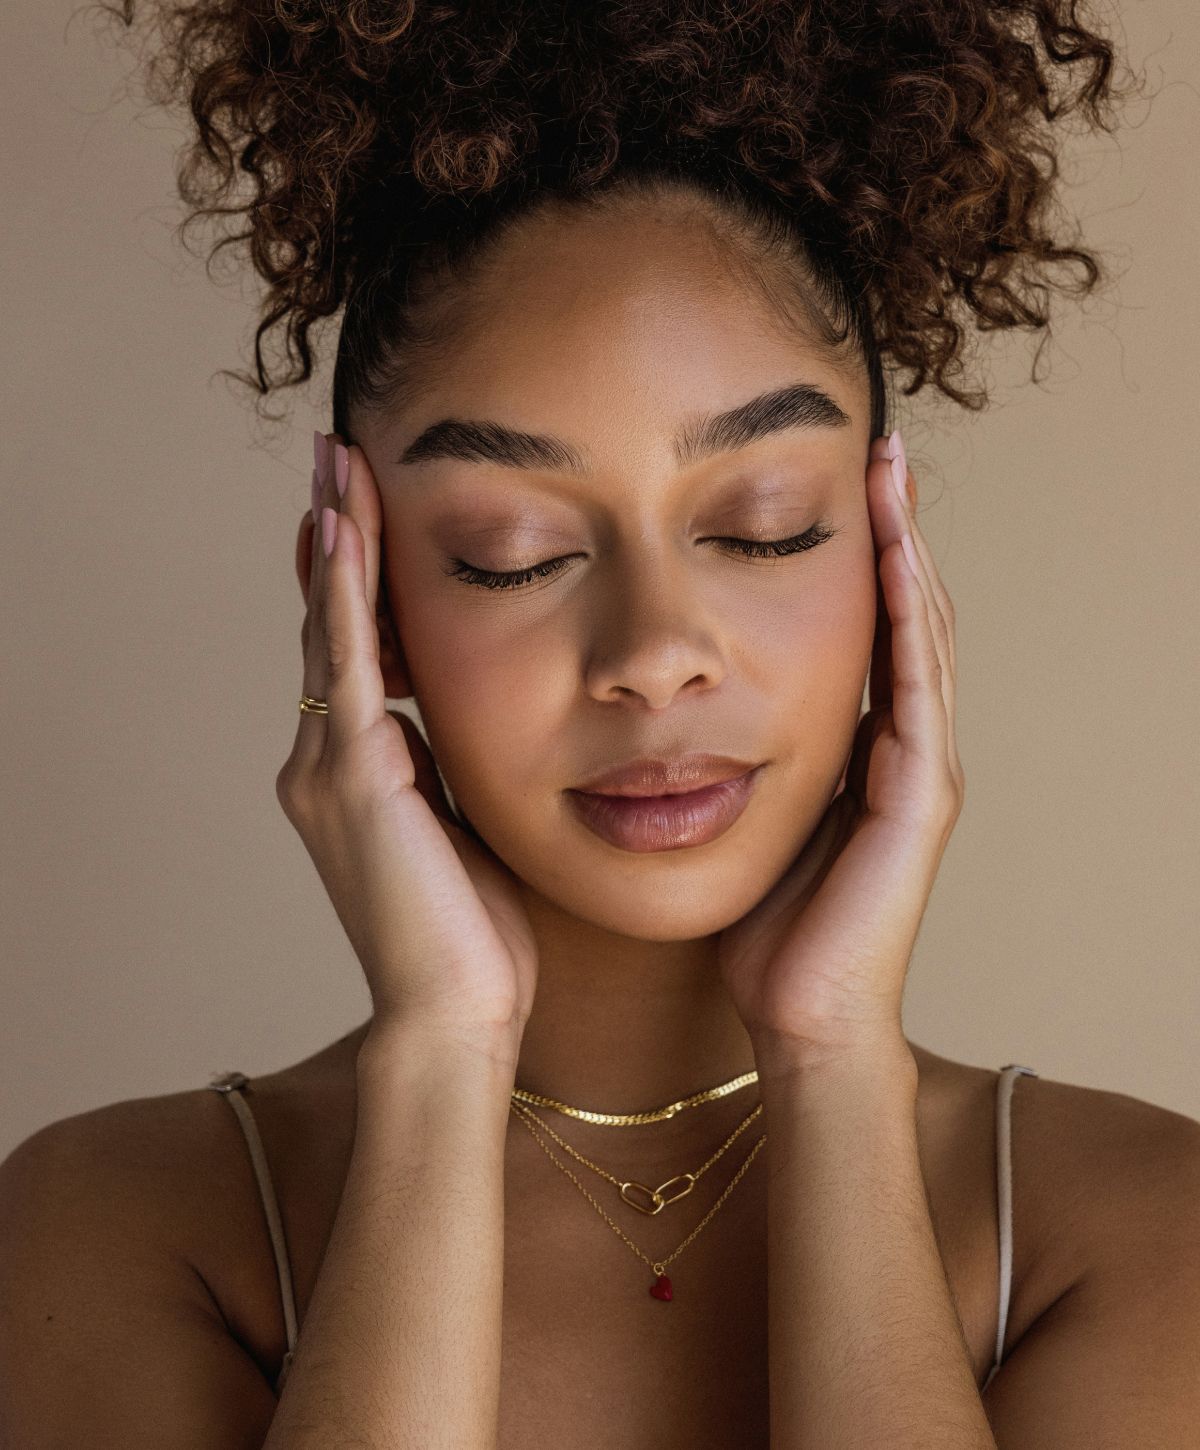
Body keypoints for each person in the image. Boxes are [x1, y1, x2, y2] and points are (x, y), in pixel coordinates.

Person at [2, 3, 1197, 1447]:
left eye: (764, 526)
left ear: (892, 559)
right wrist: (443, 1049)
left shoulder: (1126, 1225)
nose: (654, 657)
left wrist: (835, 1055)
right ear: (359, 599)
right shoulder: (116, 1224)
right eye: (513, 551)